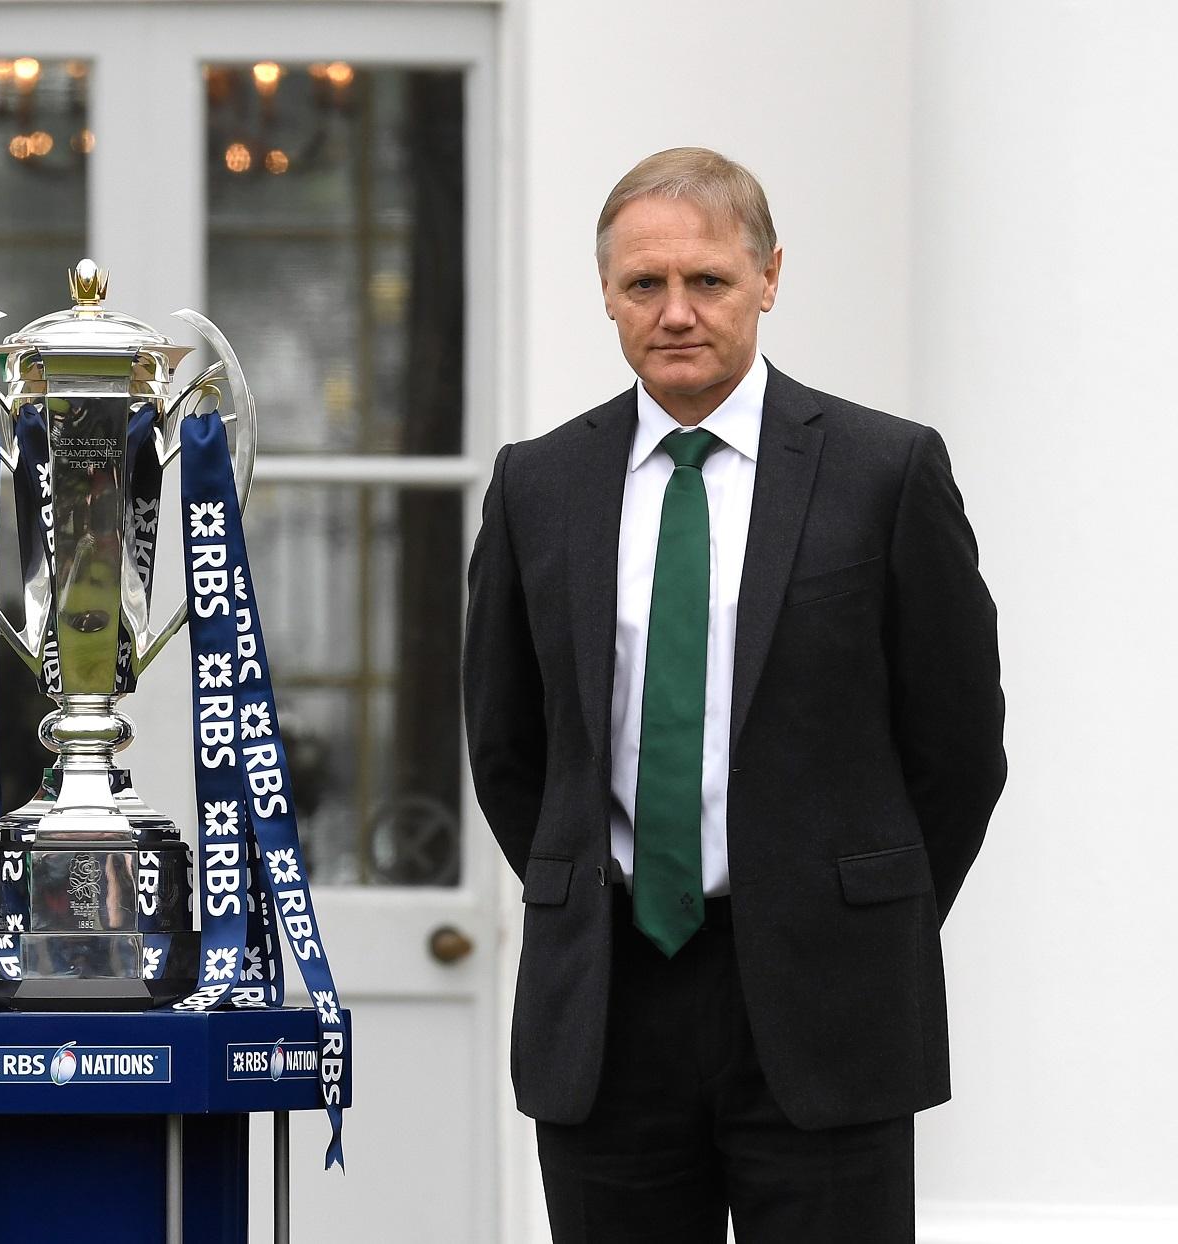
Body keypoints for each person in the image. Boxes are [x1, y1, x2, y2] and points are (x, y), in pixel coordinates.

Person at [463, 147, 1006, 1242]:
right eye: (641, 285)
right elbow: (508, 744)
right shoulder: (538, 484)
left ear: (766, 277)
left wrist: (857, 908)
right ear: (605, 294)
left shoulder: (883, 471)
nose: (673, 313)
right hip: (609, 1001)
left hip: (824, 1000)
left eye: (705, 280)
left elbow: (957, 745)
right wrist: (592, 892)